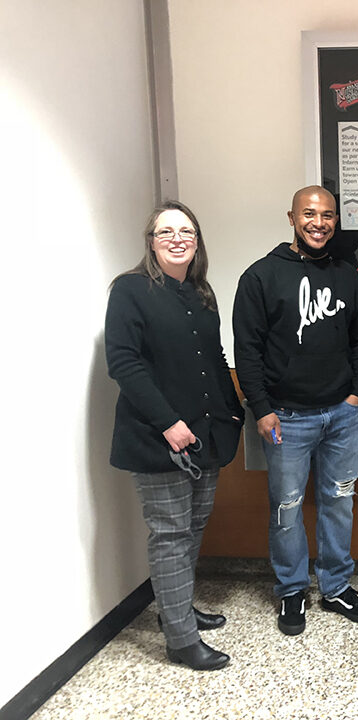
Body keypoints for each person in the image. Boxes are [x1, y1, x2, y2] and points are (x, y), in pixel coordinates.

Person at [233, 186, 358, 636]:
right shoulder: (260, 277)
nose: (319, 223)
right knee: (287, 508)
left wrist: (354, 393)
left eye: (328, 215)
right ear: (291, 217)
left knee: (339, 504)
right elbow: (248, 349)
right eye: (310, 214)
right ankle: (292, 590)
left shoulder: (347, 275)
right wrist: (261, 407)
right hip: (285, 419)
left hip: (340, 415)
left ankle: (335, 587)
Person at [106, 201, 243, 671]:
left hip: (206, 436)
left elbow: (213, 358)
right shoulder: (130, 290)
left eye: (187, 231)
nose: (178, 238)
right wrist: (168, 423)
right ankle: (181, 641)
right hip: (158, 439)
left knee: (192, 528)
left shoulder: (200, 293)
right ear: (151, 241)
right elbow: (123, 363)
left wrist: (234, 415)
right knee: (169, 534)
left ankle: (176, 610)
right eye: (167, 232)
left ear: (197, 241)